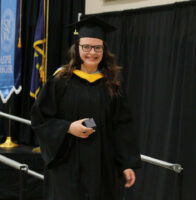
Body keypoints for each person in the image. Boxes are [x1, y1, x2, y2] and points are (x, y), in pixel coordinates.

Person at [31, 16, 141, 200]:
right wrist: (67, 127)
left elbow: (122, 126)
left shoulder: (111, 85)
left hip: (102, 165)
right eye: (86, 47)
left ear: (104, 50)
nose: (92, 52)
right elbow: (40, 117)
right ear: (77, 48)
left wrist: (126, 164)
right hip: (67, 164)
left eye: (97, 47)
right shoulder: (61, 81)